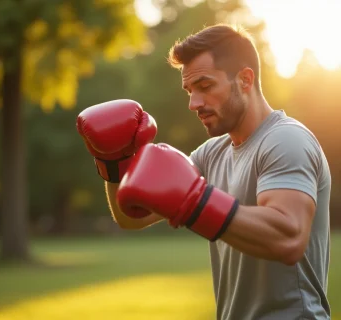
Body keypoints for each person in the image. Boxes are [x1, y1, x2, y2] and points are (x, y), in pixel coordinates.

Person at [77, 24, 331, 320]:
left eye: (205, 86)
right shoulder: (212, 153)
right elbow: (132, 217)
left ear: (245, 79)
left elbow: (288, 237)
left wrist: (196, 202)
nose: (193, 103)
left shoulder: (286, 140)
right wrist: (114, 163)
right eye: (189, 90)